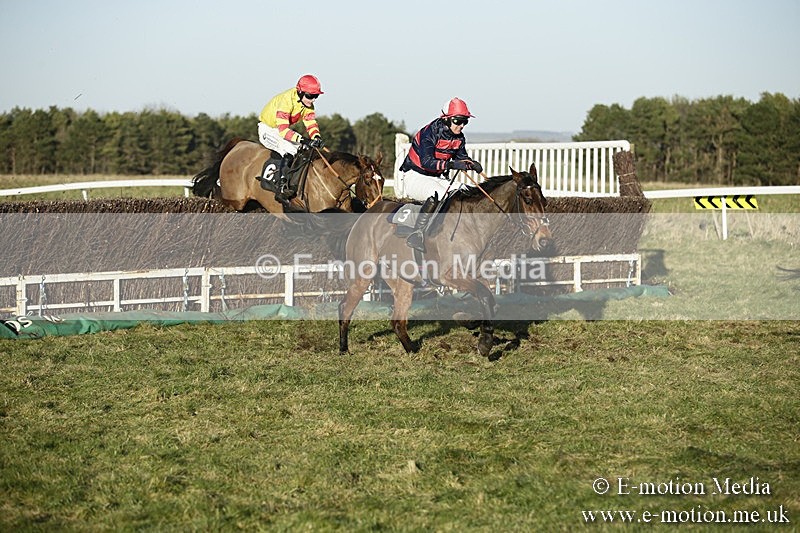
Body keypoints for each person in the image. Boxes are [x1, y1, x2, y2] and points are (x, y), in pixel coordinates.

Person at [399, 97, 484, 252]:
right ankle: (417, 233)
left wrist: (471, 164)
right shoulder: (428, 133)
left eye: (465, 121)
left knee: (467, 191)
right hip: (415, 176)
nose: (462, 125)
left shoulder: (459, 137)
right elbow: (426, 162)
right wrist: (451, 165)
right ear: (446, 119)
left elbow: (461, 159)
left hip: (437, 177)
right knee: (438, 194)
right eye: (458, 121)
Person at [258, 74, 325, 202]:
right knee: (289, 150)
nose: (313, 100)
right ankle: (282, 187)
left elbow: (310, 123)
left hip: (280, 130)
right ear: (300, 92)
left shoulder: (308, 105)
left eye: (316, 96)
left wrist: (316, 137)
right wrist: (304, 140)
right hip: (268, 130)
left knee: (304, 150)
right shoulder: (286, 101)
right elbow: (283, 131)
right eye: (310, 96)